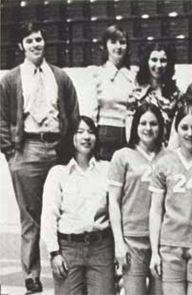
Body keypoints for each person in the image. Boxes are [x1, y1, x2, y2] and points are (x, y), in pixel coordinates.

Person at [0, 22, 79, 293]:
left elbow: (74, 113)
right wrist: (12, 154)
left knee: (64, 211)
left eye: (39, 39)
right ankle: (32, 275)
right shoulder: (11, 79)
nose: (36, 44)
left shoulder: (60, 77)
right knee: (30, 217)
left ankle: (67, 269)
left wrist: (68, 151)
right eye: (30, 40)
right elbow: (0, 119)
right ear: (21, 46)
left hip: (57, 147)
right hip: (27, 149)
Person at [148, 104, 192, 295]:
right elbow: (156, 210)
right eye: (184, 127)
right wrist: (155, 251)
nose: (190, 133)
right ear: (176, 129)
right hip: (171, 244)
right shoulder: (164, 163)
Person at [41, 116, 114, 295]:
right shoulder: (58, 173)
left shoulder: (107, 169)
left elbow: (116, 210)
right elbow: (49, 215)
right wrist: (54, 253)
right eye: (80, 132)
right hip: (68, 249)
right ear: (71, 137)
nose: (86, 137)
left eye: (90, 132)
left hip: (101, 247)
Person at [108, 104, 166, 295]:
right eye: (143, 123)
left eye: (153, 123)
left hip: (162, 239)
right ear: (135, 126)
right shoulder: (122, 156)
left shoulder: (169, 156)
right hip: (132, 239)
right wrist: (119, 242)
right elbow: (114, 202)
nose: (148, 128)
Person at [90, 24, 135, 160]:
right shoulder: (97, 74)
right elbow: (92, 114)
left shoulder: (133, 77)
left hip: (128, 134)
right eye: (113, 42)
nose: (118, 47)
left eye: (122, 42)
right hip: (105, 134)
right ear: (105, 46)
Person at [128, 42, 181, 145]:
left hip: (167, 154)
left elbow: (177, 132)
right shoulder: (135, 96)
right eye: (154, 60)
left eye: (163, 60)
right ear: (146, 62)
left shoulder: (176, 96)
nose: (159, 65)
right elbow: (130, 131)